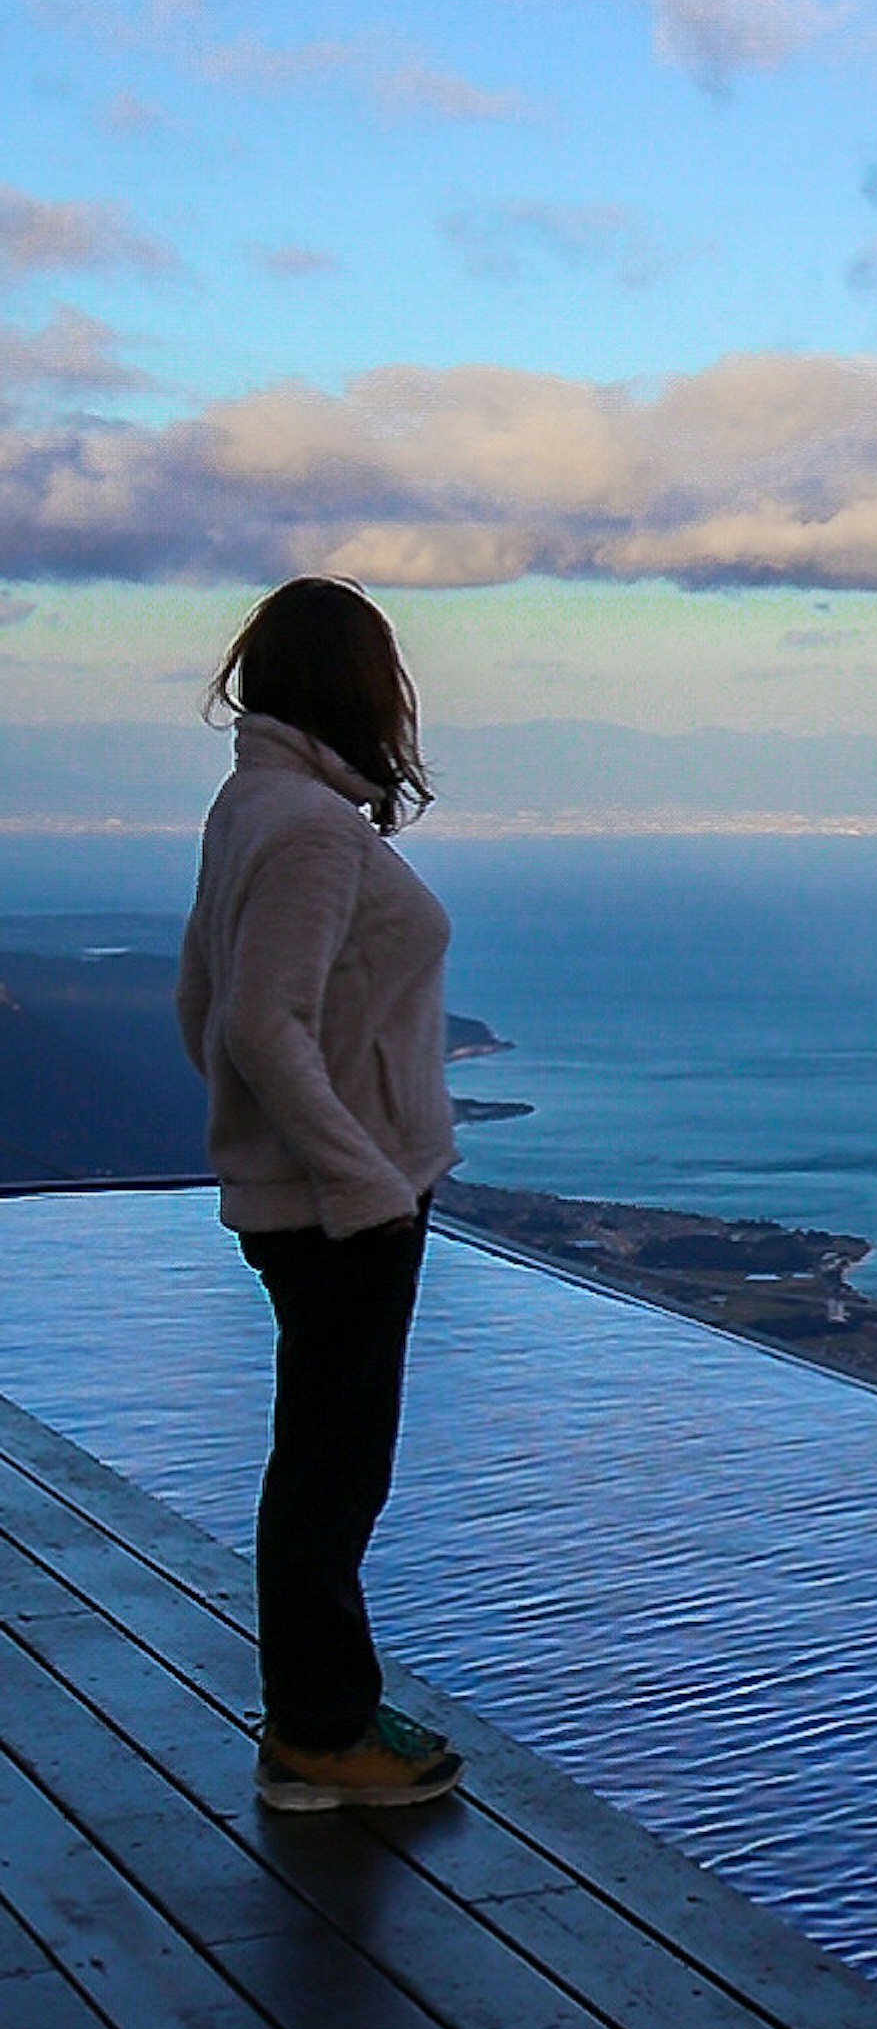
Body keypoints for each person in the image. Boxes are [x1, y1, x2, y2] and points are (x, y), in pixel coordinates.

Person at [177, 576, 466, 1814]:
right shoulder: (306, 827)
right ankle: (319, 1730)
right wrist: (359, 1182)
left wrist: (264, 1144)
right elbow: (255, 1018)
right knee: (333, 1476)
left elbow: (201, 1006)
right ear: (361, 685)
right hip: (345, 1211)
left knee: (319, 1466)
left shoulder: (253, 804)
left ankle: (316, 1722)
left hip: (313, 1198)